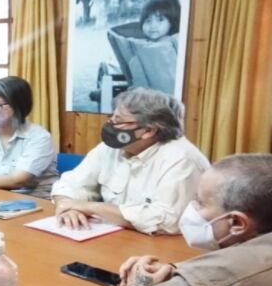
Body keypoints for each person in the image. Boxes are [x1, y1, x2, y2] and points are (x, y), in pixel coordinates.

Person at [95, 154, 272, 286]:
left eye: (199, 201)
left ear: (236, 222)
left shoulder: (215, 284)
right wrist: (181, 274)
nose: (192, 208)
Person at [51, 87, 209, 234]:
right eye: (111, 117)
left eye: (118, 121)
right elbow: (70, 183)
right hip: (114, 236)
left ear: (148, 130)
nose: (110, 124)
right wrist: (68, 207)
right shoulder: (111, 148)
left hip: (164, 248)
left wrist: (88, 207)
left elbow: (166, 221)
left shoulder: (182, 160)